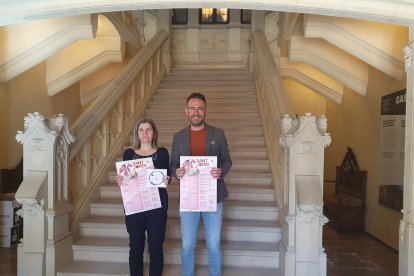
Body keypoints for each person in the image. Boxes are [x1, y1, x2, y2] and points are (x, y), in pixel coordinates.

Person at [170, 92, 232, 276]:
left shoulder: (218, 133)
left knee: (213, 243)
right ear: (186, 111)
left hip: (213, 196)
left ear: (205, 111)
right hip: (189, 198)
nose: (196, 112)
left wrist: (221, 170)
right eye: (192, 108)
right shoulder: (179, 136)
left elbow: (227, 160)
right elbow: (173, 164)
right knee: (188, 244)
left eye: (200, 108)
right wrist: (176, 173)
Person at [116, 117, 171, 276]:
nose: (145, 133)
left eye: (148, 129)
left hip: (157, 207)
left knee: (156, 248)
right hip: (134, 206)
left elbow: (166, 176)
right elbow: (126, 177)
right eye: (141, 129)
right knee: (135, 247)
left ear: (154, 133)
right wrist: (120, 180)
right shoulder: (128, 153)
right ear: (137, 133)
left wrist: (167, 179)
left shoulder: (162, 153)